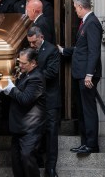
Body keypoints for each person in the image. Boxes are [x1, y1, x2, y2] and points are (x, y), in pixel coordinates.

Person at [57, 0, 102, 154]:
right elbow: (80, 48)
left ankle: (92, 144)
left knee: (88, 110)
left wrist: (89, 74)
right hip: (80, 74)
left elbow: (94, 51)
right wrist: (63, 50)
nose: (75, 11)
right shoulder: (85, 23)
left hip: (86, 76)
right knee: (82, 110)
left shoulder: (92, 23)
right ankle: (85, 143)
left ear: (81, 7)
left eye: (75, 8)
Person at [2, 48, 47, 177]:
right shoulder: (24, 74)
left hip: (31, 128)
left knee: (27, 158)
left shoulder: (37, 78)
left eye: (23, 63)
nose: (20, 65)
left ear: (33, 63)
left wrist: (11, 89)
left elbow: (26, 99)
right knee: (16, 162)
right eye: (19, 62)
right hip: (19, 127)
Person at [27, 26, 60, 177]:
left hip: (50, 98)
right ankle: (38, 159)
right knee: (36, 131)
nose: (32, 45)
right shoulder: (29, 51)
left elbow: (52, 72)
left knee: (51, 133)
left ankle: (51, 167)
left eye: (34, 42)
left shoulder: (52, 50)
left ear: (41, 37)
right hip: (35, 100)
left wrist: (33, 76)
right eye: (30, 43)